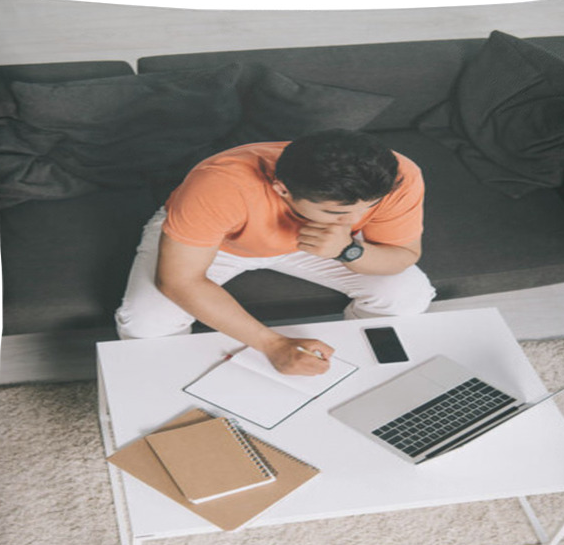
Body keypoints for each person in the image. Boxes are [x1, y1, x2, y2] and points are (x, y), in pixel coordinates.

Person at [115, 129, 435, 376]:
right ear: (282, 189)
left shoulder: (397, 177)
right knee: (147, 322)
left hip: (325, 244)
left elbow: (403, 254)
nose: (354, 220)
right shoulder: (219, 185)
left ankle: (344, 366)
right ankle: (179, 382)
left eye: (368, 208)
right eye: (336, 212)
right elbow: (180, 281)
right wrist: (273, 344)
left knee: (408, 295)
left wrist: (350, 249)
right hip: (223, 241)